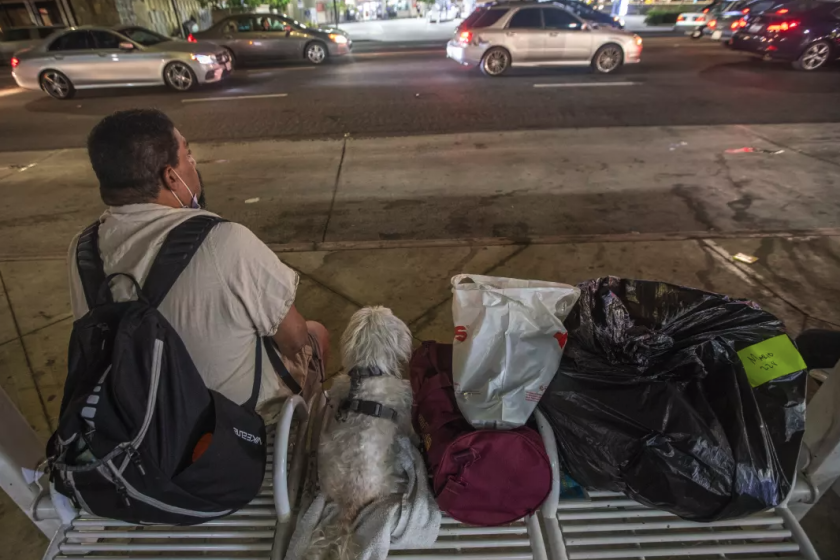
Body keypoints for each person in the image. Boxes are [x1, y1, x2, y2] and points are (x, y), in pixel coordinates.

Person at [68, 109, 329, 423]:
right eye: (187, 155)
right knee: (316, 333)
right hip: (227, 426)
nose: (193, 163)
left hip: (138, 420)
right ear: (170, 176)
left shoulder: (83, 251)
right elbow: (295, 339)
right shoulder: (224, 241)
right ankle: (308, 430)